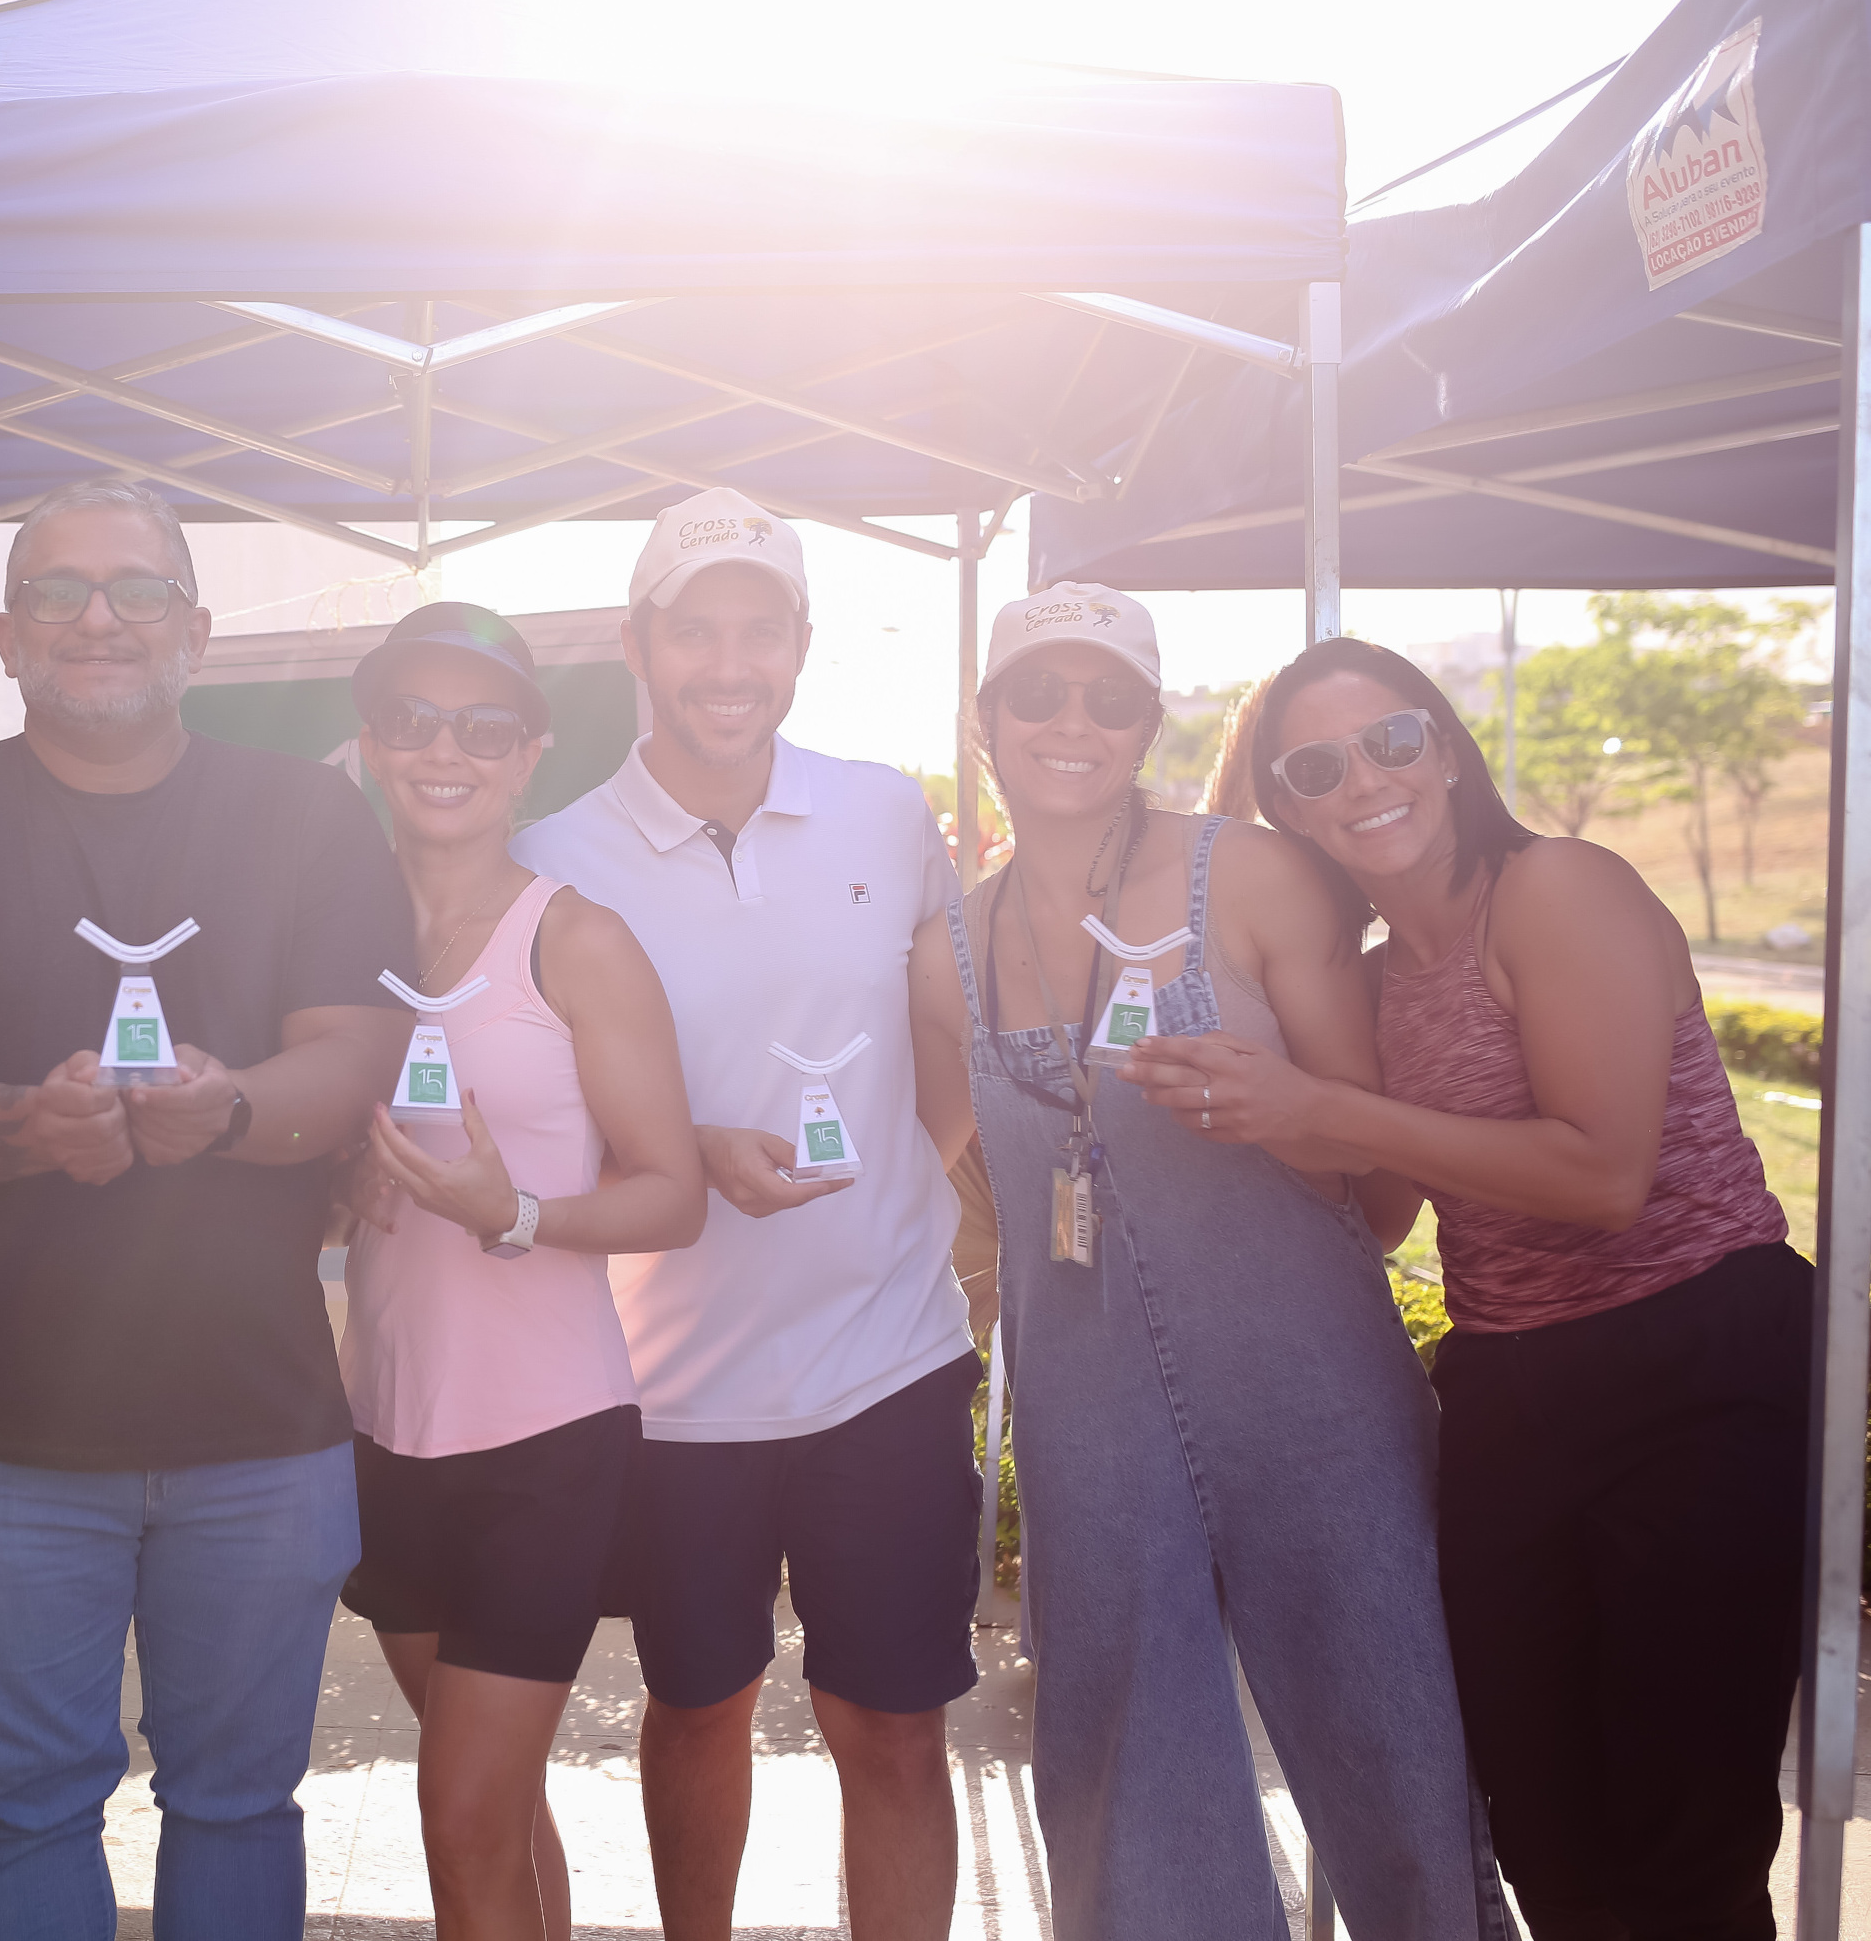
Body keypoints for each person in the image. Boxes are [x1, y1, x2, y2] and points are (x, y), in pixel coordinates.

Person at [1123, 634, 1806, 1938]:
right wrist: (1237, 1101)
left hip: (1699, 1360)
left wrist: (1323, 1106)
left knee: (1682, 1836)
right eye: (1315, 768)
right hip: (1511, 1387)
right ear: (1287, 811)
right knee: (1537, 1820)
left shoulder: (1556, 888)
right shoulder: (1378, 980)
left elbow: (1604, 1174)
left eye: (1392, 739)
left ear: (1444, 747)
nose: (1364, 780)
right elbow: (1381, 1212)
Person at [0, 477, 416, 1939]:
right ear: (7, 636)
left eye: (138, 589)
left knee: (239, 1803)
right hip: (8, 1432)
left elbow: (357, 1059)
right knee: (26, 1805)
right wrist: (29, 1127)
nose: (100, 618)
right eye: (60, 592)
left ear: (195, 631)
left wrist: (229, 1108)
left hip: (259, 1425)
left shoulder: (307, 816)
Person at [909, 587, 1506, 1940]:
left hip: (1315, 1392)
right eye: (1039, 694)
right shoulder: (948, 954)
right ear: (986, 718)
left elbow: (1379, 1183)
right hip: (1089, 1419)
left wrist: (1275, 1115)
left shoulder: (1249, 875)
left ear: (1149, 724)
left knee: (1398, 1747)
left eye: (1110, 696)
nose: (1073, 722)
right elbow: (918, 1177)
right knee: (1129, 1775)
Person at [511, 488, 982, 1941]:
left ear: (801, 645)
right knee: (699, 1706)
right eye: (696, 630)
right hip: (670, 1389)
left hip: (887, 1361)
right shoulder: (550, 853)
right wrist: (689, 1150)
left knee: (892, 1729)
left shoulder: (886, 810)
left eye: (760, 630)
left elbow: (944, 1051)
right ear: (637, 645)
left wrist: (894, 1191)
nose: (730, 664)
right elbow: (541, 1109)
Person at [333, 601, 705, 1941]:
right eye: (414, 720)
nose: (447, 750)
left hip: (544, 1439)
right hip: (386, 1427)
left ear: (529, 753)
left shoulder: (576, 939)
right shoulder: (340, 939)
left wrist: (519, 1211)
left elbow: (674, 1194)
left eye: (484, 727)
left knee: (460, 1813)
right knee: (490, 1807)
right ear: (374, 742)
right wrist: (339, 1174)